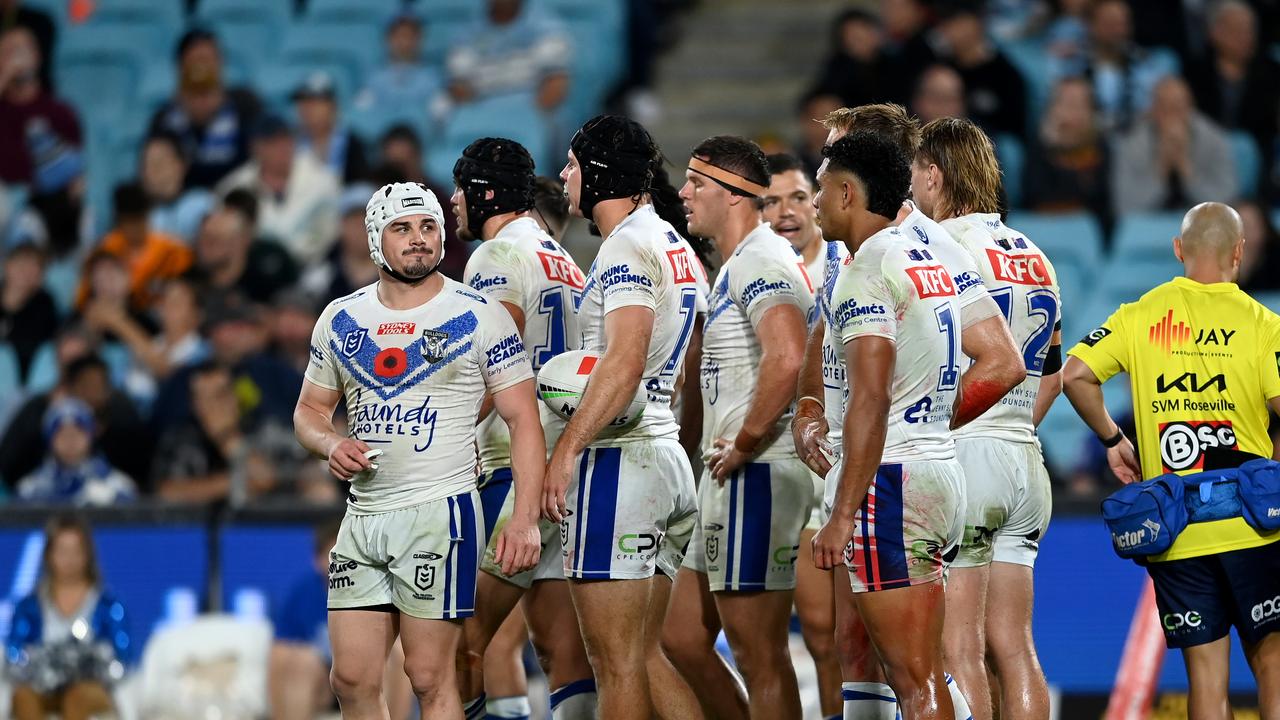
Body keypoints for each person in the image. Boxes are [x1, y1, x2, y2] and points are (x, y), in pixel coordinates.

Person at [793, 102, 1024, 720]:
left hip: (887, 475)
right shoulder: (910, 254)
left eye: (824, 177)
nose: (814, 195)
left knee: (917, 679)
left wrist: (851, 501)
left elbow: (878, 394)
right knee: (885, 662)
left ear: (854, 183)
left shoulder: (885, 258)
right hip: (925, 469)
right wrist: (815, 403)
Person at [293, 182, 544, 718]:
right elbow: (309, 412)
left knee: (430, 676)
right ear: (374, 239)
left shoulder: (480, 314)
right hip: (363, 515)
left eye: (429, 227)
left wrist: (524, 518)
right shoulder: (341, 317)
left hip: (442, 511)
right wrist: (331, 443)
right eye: (402, 229)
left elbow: (523, 419)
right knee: (352, 678)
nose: (418, 240)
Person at [1062, 201, 1280, 718]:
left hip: (1177, 527)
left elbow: (1074, 375)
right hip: (1254, 526)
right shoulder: (1263, 324)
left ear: (1178, 249)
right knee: (1272, 665)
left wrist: (1115, 439)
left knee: (1206, 680)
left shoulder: (1141, 314)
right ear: (1240, 253)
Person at [546, 115, 706, 720]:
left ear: (600, 173)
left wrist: (566, 451)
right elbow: (682, 366)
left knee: (614, 665)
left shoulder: (624, 247)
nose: (564, 176)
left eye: (572, 163)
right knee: (641, 658)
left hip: (620, 463)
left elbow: (625, 357)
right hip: (665, 455)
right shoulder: (673, 243)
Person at [910, 117, 1060, 720]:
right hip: (1025, 461)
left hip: (966, 456)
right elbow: (1049, 366)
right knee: (1015, 647)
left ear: (934, 174)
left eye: (915, 173)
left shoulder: (939, 249)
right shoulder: (1036, 254)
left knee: (960, 648)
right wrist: (1016, 428)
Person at [661, 136, 814, 719]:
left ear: (734, 196)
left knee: (759, 652)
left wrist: (747, 440)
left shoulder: (761, 259)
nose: (685, 193)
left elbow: (788, 356)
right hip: (731, 475)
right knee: (679, 636)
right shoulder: (737, 264)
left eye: (697, 183)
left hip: (757, 472)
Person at [451, 137, 596, 720]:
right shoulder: (560, 255)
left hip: (513, 468)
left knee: (459, 642)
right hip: (564, 468)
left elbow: (496, 362)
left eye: (462, 187)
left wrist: (445, 436)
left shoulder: (495, 257)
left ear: (486, 192)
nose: (454, 200)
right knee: (562, 649)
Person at [760, 151, 846, 719]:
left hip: (830, 461)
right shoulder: (752, 268)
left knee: (833, 629)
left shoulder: (844, 263)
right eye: (770, 201)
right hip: (770, 467)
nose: (786, 211)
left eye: (796, 197)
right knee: (789, 633)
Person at [268, 522, 412, 720]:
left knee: (396, 654)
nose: (344, 564)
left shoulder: (382, 590)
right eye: (335, 555)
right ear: (317, 560)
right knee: (299, 660)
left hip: (371, 677)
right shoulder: (303, 592)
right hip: (322, 683)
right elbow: (280, 653)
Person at [6, 514, 132, 720]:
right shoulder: (28, 607)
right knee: (23, 696)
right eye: (62, 551)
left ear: (88, 554)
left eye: (76, 551)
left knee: (75, 697)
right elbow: (14, 656)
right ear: (48, 554)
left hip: (89, 688)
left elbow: (122, 660)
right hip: (41, 686)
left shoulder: (108, 606)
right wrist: (45, 667)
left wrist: (88, 664)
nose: (69, 560)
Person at [153, 359, 330, 505]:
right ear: (194, 406)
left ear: (236, 397)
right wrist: (232, 483)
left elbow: (265, 478)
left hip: (270, 526)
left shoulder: (265, 427)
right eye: (204, 399)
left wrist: (228, 438)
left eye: (220, 395)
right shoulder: (183, 436)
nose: (215, 407)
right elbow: (168, 493)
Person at [0, 350, 152, 491]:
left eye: (100, 386)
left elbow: (141, 466)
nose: (95, 393)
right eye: (87, 386)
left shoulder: (122, 413)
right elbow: (9, 464)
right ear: (70, 388)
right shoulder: (39, 410)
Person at [215, 115, 340, 266]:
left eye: (286, 140)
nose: (282, 148)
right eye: (272, 143)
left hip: (312, 266)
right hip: (255, 268)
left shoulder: (323, 180)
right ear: (256, 147)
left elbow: (329, 232)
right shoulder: (234, 187)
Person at [147, 29, 262, 189]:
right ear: (180, 68)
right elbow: (156, 178)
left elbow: (258, 163)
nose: (203, 69)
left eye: (209, 60)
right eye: (196, 61)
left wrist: (217, 108)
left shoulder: (245, 105)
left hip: (236, 203)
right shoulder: (165, 118)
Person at [1185, 0, 1278, 188]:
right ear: (1214, 32)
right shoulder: (1195, 74)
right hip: (1204, 155)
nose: (1246, 37)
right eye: (1237, 30)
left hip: (1262, 158)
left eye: (1250, 30)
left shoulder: (1272, 73)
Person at [1111, 76, 1238, 214]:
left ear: (1191, 108)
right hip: (1150, 224)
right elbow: (1126, 207)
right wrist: (1161, 168)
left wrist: (1187, 171)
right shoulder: (1132, 144)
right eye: (1165, 109)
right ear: (1153, 110)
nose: (1172, 117)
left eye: (1178, 108)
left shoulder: (1214, 140)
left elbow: (1226, 205)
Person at [1054, 0, 1177, 131]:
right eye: (1110, 24)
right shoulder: (1073, 65)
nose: (1119, 31)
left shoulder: (1147, 66)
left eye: (1124, 23)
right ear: (1091, 25)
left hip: (1136, 139)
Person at [76, 182, 192, 313]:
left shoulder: (172, 250)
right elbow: (83, 302)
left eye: (140, 220)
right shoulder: (105, 251)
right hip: (117, 315)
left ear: (147, 216)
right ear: (119, 221)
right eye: (130, 222)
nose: (136, 229)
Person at [1022, 77, 1112, 233]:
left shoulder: (1102, 149)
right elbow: (1035, 196)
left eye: (1081, 105)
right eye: (1067, 103)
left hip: (1089, 236)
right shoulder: (1038, 146)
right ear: (1052, 109)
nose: (1073, 112)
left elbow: (1097, 201)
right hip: (1042, 233)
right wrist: (1054, 148)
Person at [446, 0, 570, 112]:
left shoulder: (546, 27)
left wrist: (527, 120)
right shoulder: (468, 31)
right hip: (480, 109)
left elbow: (556, 82)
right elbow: (459, 85)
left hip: (531, 112)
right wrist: (478, 116)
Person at [15, 397, 137, 505]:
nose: (70, 441)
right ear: (50, 440)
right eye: (63, 435)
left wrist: (112, 502)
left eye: (77, 434)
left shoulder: (117, 486)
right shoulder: (30, 489)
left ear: (90, 436)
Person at [934, 1, 1028, 139]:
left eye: (959, 22)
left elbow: (1014, 128)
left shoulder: (1006, 74)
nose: (951, 30)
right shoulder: (940, 70)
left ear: (978, 22)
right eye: (947, 23)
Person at [189, 192, 299, 308]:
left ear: (240, 243)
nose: (204, 248)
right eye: (202, 238)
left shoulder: (265, 281)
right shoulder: (190, 278)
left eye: (215, 240)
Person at [300, 184, 380, 308]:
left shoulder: (396, 273)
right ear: (342, 225)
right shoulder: (320, 276)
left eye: (367, 220)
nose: (361, 228)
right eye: (354, 221)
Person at [355, 12, 443, 120]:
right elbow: (362, 113)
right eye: (399, 36)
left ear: (420, 40)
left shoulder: (431, 78)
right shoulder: (374, 78)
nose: (405, 43)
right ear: (388, 39)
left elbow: (439, 116)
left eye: (411, 36)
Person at [292, 72, 369, 184]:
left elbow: (359, 188)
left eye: (315, 102)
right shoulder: (290, 142)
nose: (307, 108)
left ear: (333, 106)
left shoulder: (353, 145)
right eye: (303, 102)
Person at [140, 132, 214, 244]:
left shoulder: (203, 204)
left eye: (158, 164)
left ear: (181, 165)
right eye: (145, 165)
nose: (150, 172)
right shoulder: (140, 215)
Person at [0, 241, 57, 382]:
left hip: (22, 379)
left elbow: (39, 350)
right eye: (21, 263)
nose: (25, 271)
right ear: (7, 265)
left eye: (34, 266)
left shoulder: (44, 304)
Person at [811, 8, 887, 110]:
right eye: (854, 38)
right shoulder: (839, 67)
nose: (860, 42)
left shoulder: (894, 62)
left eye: (862, 35)